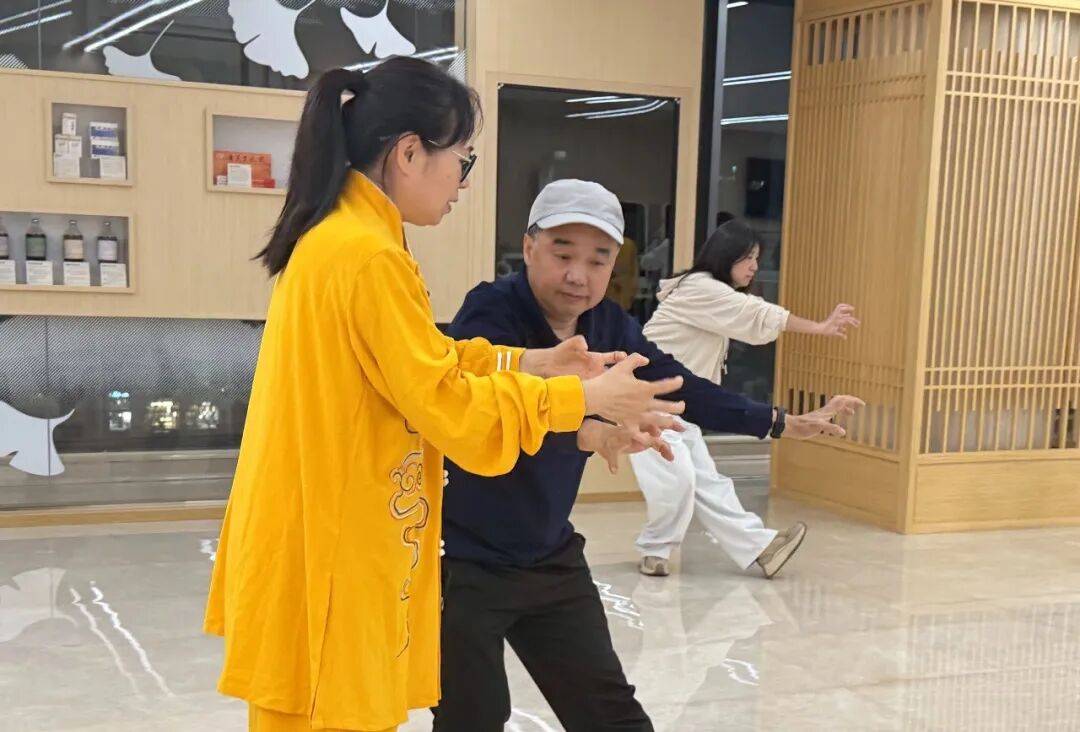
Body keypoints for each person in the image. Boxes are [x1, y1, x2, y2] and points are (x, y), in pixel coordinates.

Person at [203, 62, 685, 732]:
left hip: (319, 534)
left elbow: (423, 360)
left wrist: (533, 362)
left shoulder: (343, 239)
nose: (464, 180)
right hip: (335, 547)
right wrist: (581, 398)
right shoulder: (368, 256)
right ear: (409, 153)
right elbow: (448, 407)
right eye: (463, 158)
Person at [431, 179, 861, 732]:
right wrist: (587, 431)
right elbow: (484, 415)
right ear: (530, 246)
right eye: (563, 253)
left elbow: (677, 384)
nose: (578, 275)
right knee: (471, 718)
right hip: (462, 563)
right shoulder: (490, 313)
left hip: (547, 555)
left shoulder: (607, 324)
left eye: (598, 259)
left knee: (611, 714)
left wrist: (779, 421)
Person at [630, 218, 861, 579]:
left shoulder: (711, 294)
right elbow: (756, 314)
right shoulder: (699, 287)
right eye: (747, 257)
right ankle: (654, 550)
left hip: (682, 405)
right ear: (726, 256)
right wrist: (819, 327)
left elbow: (752, 324)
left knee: (709, 483)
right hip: (645, 403)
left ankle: (761, 549)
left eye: (756, 258)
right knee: (680, 479)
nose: (754, 266)